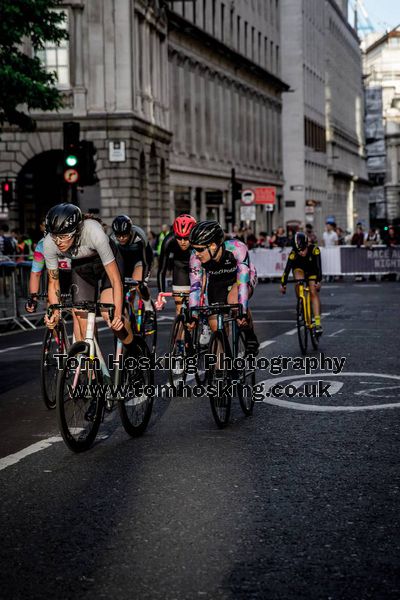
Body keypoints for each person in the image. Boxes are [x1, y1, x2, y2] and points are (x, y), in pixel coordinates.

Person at [43, 203, 127, 344]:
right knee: (82, 322)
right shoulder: (49, 243)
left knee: (109, 315)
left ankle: (132, 347)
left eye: (63, 236)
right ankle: (90, 362)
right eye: (55, 236)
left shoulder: (94, 232)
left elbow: (115, 280)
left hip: (106, 265)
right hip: (82, 268)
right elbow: (53, 283)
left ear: (76, 231)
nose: (58, 242)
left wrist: (118, 314)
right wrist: (54, 313)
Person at [188, 220, 259, 354]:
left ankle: (250, 337)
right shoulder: (195, 257)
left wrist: (242, 311)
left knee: (234, 301)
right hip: (217, 282)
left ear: (213, 245)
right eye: (194, 248)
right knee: (215, 326)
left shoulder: (237, 248)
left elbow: (243, 282)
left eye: (199, 249)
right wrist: (193, 315)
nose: (196, 253)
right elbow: (195, 286)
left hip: (240, 278)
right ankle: (226, 364)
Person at [111, 214, 155, 326]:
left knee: (139, 286)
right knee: (125, 294)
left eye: (124, 235)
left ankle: (149, 308)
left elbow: (146, 261)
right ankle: (131, 321)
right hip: (123, 263)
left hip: (139, 261)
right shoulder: (111, 239)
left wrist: (143, 281)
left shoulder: (139, 236)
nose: (121, 239)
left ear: (130, 231)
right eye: (118, 236)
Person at [280, 231, 323, 335]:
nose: (301, 253)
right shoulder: (293, 254)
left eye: (303, 249)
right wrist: (283, 284)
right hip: (299, 269)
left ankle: (317, 323)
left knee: (313, 291)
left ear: (307, 244)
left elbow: (319, 268)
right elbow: (286, 270)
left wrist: (318, 281)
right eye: (298, 251)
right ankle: (301, 302)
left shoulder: (315, 250)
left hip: (312, 270)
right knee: (298, 280)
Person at [156, 214, 197, 314]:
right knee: (179, 307)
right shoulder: (168, 240)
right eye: (179, 238)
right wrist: (161, 292)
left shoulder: (199, 239)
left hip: (197, 267)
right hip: (180, 268)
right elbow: (162, 270)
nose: (182, 242)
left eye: (186, 238)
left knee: (197, 307)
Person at [25, 236, 71, 313]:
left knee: (79, 311)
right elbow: (35, 273)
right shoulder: (42, 245)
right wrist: (33, 298)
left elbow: (36, 273)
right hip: (58, 272)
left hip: (76, 269)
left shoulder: (43, 243)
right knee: (52, 304)